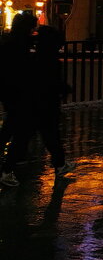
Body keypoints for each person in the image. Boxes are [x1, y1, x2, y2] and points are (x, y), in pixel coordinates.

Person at [28, 25, 75, 179]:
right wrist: (64, 88)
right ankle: (59, 163)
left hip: (38, 100)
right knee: (49, 133)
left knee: (44, 134)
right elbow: (51, 80)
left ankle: (60, 163)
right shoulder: (50, 60)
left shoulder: (37, 58)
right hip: (47, 102)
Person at [1, 13, 42, 187]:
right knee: (22, 132)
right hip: (20, 92)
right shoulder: (21, 45)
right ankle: (8, 169)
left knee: (11, 126)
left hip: (10, 91)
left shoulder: (9, 42)